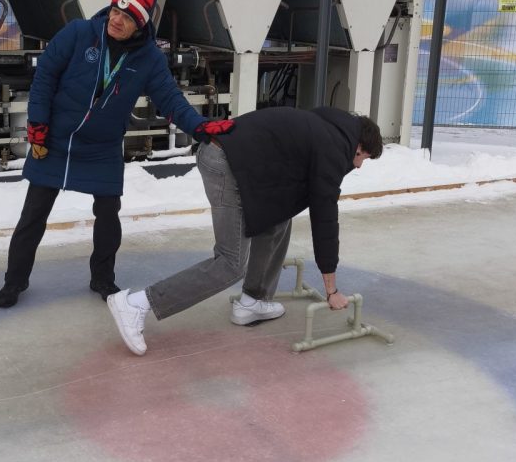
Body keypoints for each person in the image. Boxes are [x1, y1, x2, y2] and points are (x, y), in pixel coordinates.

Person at [0, 0, 230, 307]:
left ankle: (103, 278)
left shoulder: (148, 58)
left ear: (140, 25)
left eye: (127, 17)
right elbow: (45, 75)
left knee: (108, 213)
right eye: (115, 11)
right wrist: (37, 125)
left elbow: (171, 99)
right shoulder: (79, 33)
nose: (116, 20)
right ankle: (14, 281)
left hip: (102, 148)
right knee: (33, 213)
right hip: (55, 140)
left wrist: (201, 127)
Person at [106, 105, 383, 355]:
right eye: (363, 158)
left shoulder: (330, 125)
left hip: (234, 158)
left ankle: (254, 299)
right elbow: (325, 219)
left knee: (278, 216)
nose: (358, 166)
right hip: (224, 164)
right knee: (230, 263)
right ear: (357, 146)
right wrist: (331, 289)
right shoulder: (334, 149)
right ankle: (137, 304)